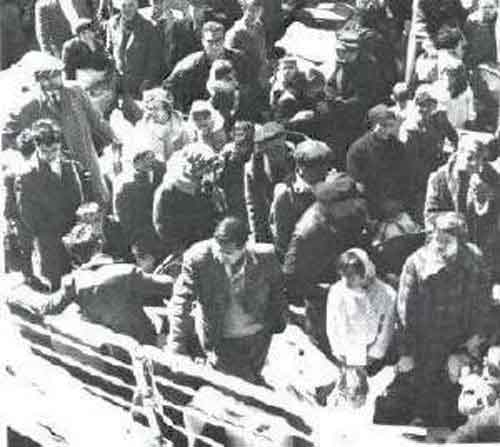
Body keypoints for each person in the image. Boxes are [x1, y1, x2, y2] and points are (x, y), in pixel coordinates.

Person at [9, 202, 173, 346]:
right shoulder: (127, 272)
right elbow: (171, 287)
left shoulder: (73, 282)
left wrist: (17, 299)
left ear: (75, 256)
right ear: (100, 245)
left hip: (108, 346)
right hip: (143, 340)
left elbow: (47, 308)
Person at [396, 212, 493, 427]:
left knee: (461, 405)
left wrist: (471, 344)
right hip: (427, 340)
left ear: (461, 241)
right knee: (424, 403)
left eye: (446, 240)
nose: (439, 244)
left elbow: (483, 305)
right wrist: (406, 352)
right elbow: (404, 313)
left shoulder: (475, 260)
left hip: (462, 339)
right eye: (436, 238)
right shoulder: (416, 263)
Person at [167, 216, 287, 384]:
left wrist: (277, 323)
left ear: (244, 247)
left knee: (252, 378)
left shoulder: (266, 257)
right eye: (219, 251)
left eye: (229, 254)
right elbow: (181, 301)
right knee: (236, 386)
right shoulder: (198, 259)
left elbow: (277, 292)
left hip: (258, 338)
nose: (222, 257)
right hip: (222, 340)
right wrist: (177, 345)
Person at [1, 54, 120, 206]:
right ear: (37, 79)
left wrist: (114, 138)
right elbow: (7, 134)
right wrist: (31, 150)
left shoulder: (76, 92)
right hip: (57, 169)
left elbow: (96, 120)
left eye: (55, 75)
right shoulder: (31, 104)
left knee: (98, 201)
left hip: (86, 160)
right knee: (69, 206)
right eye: (45, 77)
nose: (51, 81)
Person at [283, 172, 369, 354]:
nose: (357, 205)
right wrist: (329, 291)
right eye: (351, 203)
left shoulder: (352, 213)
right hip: (324, 305)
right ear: (334, 205)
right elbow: (291, 280)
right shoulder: (308, 232)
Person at [15, 119, 83, 290]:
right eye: (45, 151)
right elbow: (28, 214)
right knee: (57, 283)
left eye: (55, 150)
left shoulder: (69, 164)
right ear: (37, 147)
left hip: (73, 231)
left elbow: (77, 196)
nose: (51, 155)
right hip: (49, 237)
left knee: (81, 281)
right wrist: (48, 232)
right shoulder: (27, 175)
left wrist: (74, 225)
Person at [425, 134, 500, 280]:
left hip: (483, 243)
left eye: (481, 159)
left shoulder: (490, 176)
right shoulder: (439, 179)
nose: (476, 164)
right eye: (470, 158)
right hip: (449, 241)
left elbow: (495, 210)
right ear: (458, 153)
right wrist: (454, 222)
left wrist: (485, 200)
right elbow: (431, 216)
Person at [326, 248, 396, 374]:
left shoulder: (387, 294)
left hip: (374, 356)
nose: (347, 280)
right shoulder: (337, 292)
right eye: (344, 275)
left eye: (351, 276)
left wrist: (373, 355)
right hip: (346, 352)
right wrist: (339, 352)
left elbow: (386, 328)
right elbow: (332, 325)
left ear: (364, 272)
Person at [152, 142, 225, 259]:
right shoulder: (168, 191)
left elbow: (220, 215)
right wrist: (184, 252)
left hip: (210, 245)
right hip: (183, 249)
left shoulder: (209, 187)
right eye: (204, 170)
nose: (208, 174)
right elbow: (163, 228)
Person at [400, 84, 458, 221]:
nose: (424, 109)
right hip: (418, 173)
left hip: (436, 163)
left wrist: (453, 155)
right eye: (421, 105)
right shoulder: (411, 129)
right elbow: (412, 161)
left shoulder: (440, 118)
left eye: (429, 105)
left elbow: (454, 137)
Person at [163, 21, 248, 113]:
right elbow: (169, 89)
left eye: (218, 40)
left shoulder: (240, 60)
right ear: (203, 41)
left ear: (224, 40)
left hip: (235, 113)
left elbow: (251, 87)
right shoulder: (188, 66)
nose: (214, 46)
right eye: (210, 42)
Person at [347, 104, 411, 221]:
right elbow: (357, 184)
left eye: (391, 126)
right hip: (371, 207)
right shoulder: (358, 149)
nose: (387, 130)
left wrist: (399, 202)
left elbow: (406, 177)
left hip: (396, 204)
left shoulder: (397, 147)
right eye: (383, 125)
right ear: (373, 125)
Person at [269, 139, 330, 260]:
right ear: (300, 168)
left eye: (325, 167)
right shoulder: (286, 195)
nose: (323, 174)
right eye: (315, 168)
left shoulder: (332, 186)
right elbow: (282, 241)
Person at [113, 146, 165, 265]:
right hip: (143, 240)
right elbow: (125, 220)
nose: (149, 161)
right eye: (143, 158)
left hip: (163, 236)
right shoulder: (126, 186)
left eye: (151, 157)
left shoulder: (162, 176)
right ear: (135, 163)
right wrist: (137, 241)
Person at [244, 122, 294, 243]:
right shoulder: (254, 168)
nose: (274, 156)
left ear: (284, 140)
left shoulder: (300, 159)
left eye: (277, 149)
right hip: (271, 227)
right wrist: (258, 239)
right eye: (269, 151)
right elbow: (254, 206)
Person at [106, 0, 163, 99]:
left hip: (139, 84)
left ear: (136, 6)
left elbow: (154, 59)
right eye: (124, 6)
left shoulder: (148, 27)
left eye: (131, 5)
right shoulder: (112, 23)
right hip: (118, 83)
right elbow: (109, 51)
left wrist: (147, 82)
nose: (127, 9)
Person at [132, 88, 189, 164]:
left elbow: (188, 151)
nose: (152, 113)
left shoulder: (183, 126)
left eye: (156, 108)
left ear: (167, 108)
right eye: (150, 109)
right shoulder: (141, 127)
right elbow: (138, 153)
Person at [224, 0, 267, 88]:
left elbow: (262, 51)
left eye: (258, 11)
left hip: (258, 77)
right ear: (244, 9)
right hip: (242, 78)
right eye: (251, 10)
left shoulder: (259, 27)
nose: (254, 14)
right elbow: (228, 57)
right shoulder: (235, 32)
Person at [218, 121, 255, 222]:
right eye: (237, 133)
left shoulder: (256, 151)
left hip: (252, 194)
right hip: (233, 194)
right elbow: (220, 177)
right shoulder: (228, 151)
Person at [463, 0, 498, 69]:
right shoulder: (472, 20)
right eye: (484, 7)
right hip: (479, 61)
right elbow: (467, 42)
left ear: (496, 7)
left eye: (491, 7)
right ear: (479, 7)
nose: (488, 10)